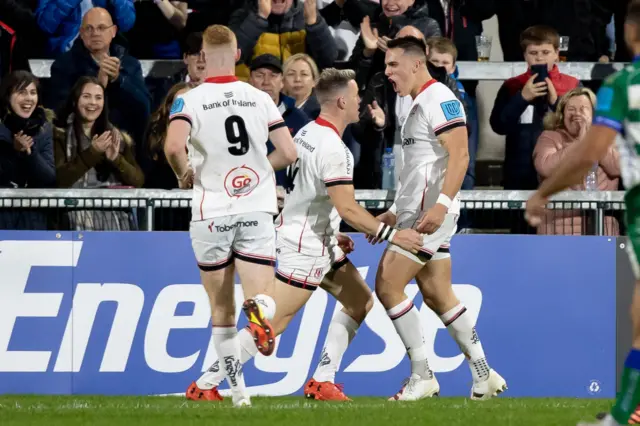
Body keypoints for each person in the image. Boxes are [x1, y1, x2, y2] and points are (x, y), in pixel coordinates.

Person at [184, 68, 423, 402]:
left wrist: (332, 231)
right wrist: (393, 235)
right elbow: (349, 208)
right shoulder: (335, 150)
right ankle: (206, 384)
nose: (360, 103)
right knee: (272, 327)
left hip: (314, 238)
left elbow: (307, 195)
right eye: (356, 96)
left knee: (359, 300)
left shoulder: (307, 133)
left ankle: (322, 380)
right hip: (306, 248)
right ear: (342, 101)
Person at [165, 24, 297, 407]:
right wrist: (258, 173)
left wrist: (184, 173)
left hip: (210, 211)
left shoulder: (188, 99)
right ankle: (256, 314)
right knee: (263, 297)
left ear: (202, 57)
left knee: (221, 311)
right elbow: (288, 153)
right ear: (238, 54)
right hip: (255, 207)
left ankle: (238, 396)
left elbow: (174, 146)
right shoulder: (259, 98)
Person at [371, 36, 507, 401]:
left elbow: (460, 156)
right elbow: (417, 169)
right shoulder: (411, 104)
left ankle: (422, 375)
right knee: (437, 294)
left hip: (430, 215)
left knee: (387, 286)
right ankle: (483, 374)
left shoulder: (441, 100)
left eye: (393, 65)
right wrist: (396, 210)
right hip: (417, 211)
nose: (387, 72)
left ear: (416, 64)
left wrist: (441, 205)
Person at [525, 3, 640, 425]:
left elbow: (594, 154)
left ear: (628, 33)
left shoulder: (622, 83)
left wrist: (543, 196)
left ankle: (624, 413)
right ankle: (625, 412)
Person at [53, 76, 144, 231]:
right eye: (86, 97)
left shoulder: (117, 137)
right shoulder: (58, 134)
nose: (93, 103)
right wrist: (93, 152)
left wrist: (116, 159)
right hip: (71, 220)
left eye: (98, 98)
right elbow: (59, 179)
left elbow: (138, 180)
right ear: (75, 101)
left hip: (115, 222)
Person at [533, 87, 620, 236]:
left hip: (601, 229)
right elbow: (545, 166)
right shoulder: (550, 137)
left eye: (583, 108)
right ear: (562, 115)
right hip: (558, 228)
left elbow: (619, 167)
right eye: (571, 109)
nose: (576, 113)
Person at [0, 70, 55, 230]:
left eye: (33, 92)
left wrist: (29, 153)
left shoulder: (43, 129)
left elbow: (49, 177)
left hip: (33, 219)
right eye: (21, 92)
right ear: (7, 96)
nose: (29, 98)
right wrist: (14, 151)